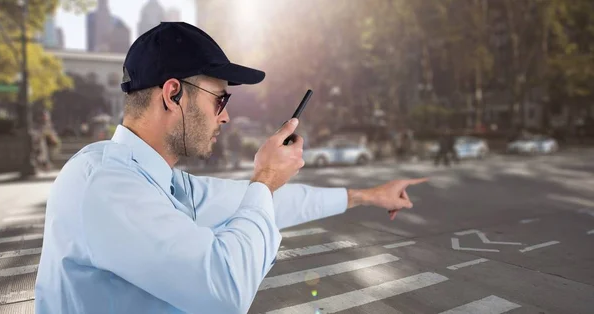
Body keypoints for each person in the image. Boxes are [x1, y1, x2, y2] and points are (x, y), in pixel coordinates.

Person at [35, 22, 427, 314]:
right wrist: (264, 179)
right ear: (173, 95)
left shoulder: (163, 182)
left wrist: (366, 196)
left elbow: (267, 201)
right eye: (219, 99)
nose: (225, 117)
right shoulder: (105, 184)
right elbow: (224, 290)